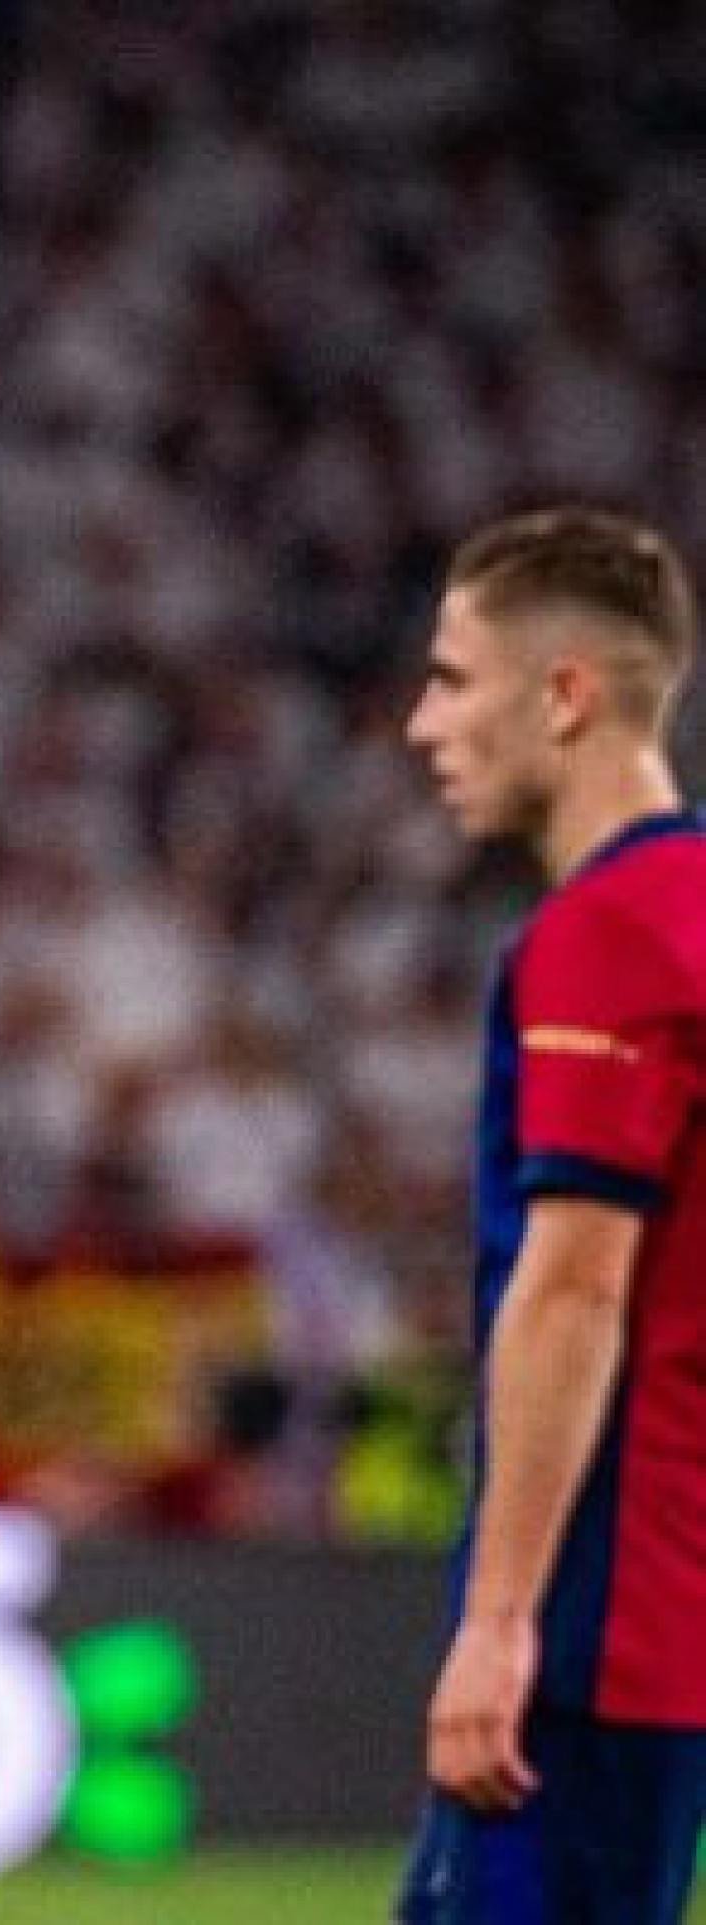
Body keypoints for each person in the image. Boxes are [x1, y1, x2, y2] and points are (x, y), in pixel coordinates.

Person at [399, 507, 706, 1925]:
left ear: (565, 693)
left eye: (453, 678)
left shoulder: (608, 934)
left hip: (599, 1621)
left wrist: (499, 1619)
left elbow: (577, 1286)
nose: (424, 724)